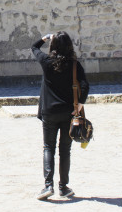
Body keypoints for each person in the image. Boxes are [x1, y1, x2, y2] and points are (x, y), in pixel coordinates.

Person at [32, 31, 89, 201]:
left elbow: (34, 47)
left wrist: (45, 37)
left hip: (49, 111)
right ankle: (63, 187)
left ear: (53, 46)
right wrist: (79, 104)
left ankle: (48, 186)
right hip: (68, 112)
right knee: (65, 150)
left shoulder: (46, 61)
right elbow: (85, 85)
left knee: (48, 147)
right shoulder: (74, 65)